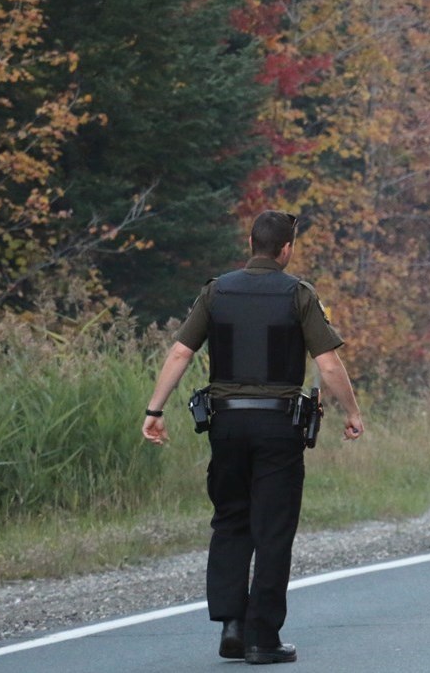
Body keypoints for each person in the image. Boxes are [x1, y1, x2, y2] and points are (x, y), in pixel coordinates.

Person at [141, 210, 363, 665]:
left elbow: (181, 351)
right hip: (279, 428)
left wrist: (154, 409)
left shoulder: (216, 291)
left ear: (250, 242)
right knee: (273, 529)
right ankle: (263, 639)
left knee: (230, 520)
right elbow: (327, 364)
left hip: (225, 426)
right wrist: (352, 412)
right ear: (286, 250)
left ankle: (232, 625)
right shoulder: (298, 294)